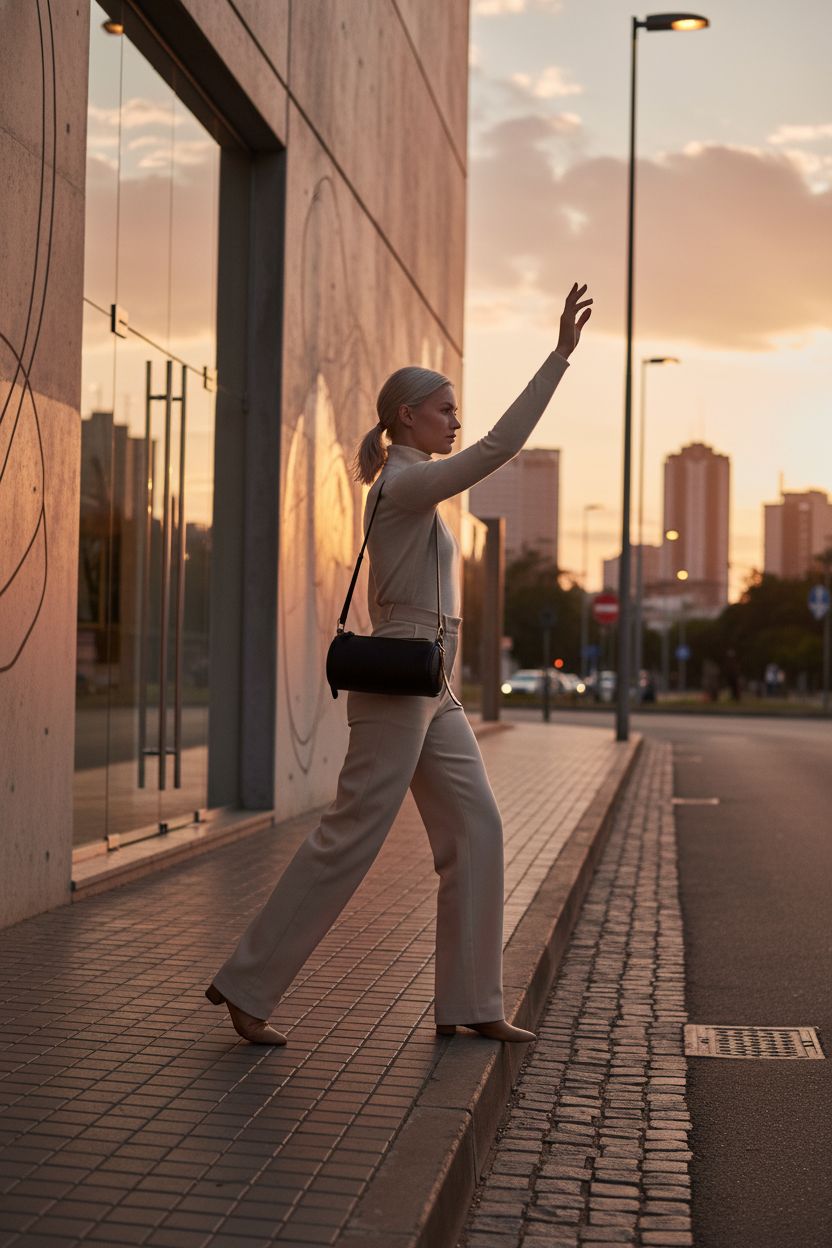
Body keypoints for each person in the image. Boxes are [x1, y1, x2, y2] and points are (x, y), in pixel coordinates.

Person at [205, 283, 593, 1046]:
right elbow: (499, 450)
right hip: (399, 681)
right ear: (407, 416)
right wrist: (556, 360)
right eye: (444, 407)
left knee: (477, 829)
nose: (457, 419)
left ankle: (471, 1003)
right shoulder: (406, 482)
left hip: (432, 681)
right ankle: (246, 985)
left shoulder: (416, 490)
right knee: (351, 835)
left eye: (455, 408)